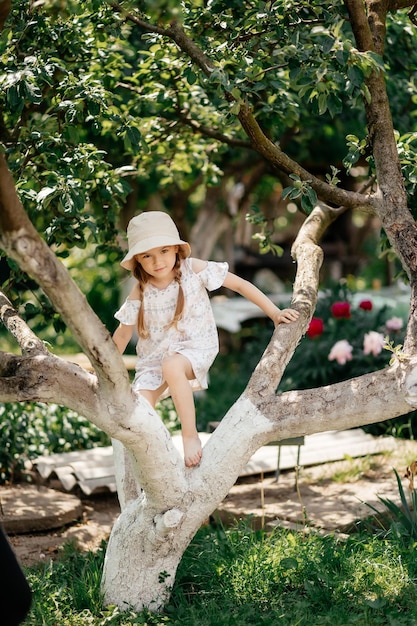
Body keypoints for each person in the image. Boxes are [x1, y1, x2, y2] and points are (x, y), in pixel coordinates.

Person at [113, 211, 299, 468]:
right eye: (147, 255)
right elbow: (123, 334)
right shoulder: (140, 290)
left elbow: (241, 285)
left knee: (173, 365)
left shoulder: (193, 269)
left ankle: (189, 435)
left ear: (177, 249)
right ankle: (158, 461)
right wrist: (106, 369)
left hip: (195, 346)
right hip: (153, 360)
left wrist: (275, 313)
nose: (158, 261)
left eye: (164, 250)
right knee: (139, 409)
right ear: (137, 260)